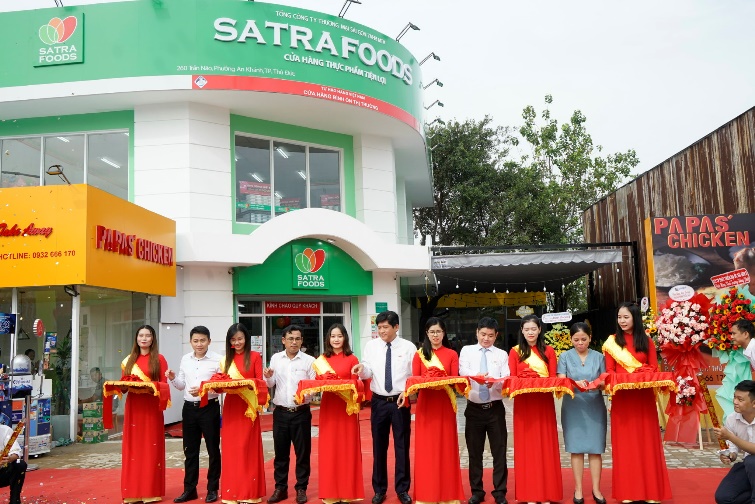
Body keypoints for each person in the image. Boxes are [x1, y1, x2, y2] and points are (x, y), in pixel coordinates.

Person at [602, 302, 671, 503]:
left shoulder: (646, 340)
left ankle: (651, 492)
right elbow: (609, 371)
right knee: (626, 446)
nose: (622, 321)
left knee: (647, 443)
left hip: (644, 398)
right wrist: (626, 379)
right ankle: (628, 492)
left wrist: (642, 375)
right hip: (623, 399)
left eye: (626, 317)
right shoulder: (612, 342)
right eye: (619, 317)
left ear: (635, 318)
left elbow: (653, 368)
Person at [352, 311, 414, 504]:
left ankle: (402, 489)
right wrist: (362, 369)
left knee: (402, 446)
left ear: (396, 327)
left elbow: (413, 376)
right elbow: (368, 370)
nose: (381, 331)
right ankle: (379, 490)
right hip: (378, 402)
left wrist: (408, 392)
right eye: (379, 327)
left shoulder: (409, 347)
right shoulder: (371, 346)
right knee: (379, 447)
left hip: (400, 402)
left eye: (385, 327)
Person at [408, 317, 464, 504]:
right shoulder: (419, 355)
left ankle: (448, 495)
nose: (435, 335)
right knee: (427, 450)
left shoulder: (452, 354)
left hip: (445, 404)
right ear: (426, 333)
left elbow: (455, 380)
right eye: (432, 332)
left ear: (444, 333)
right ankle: (427, 495)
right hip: (426, 405)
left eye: (438, 332)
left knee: (446, 448)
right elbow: (415, 381)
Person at [508, 314, 561, 504]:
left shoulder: (549, 351)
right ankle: (529, 493)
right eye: (526, 329)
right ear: (521, 331)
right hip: (524, 404)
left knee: (545, 445)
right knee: (526, 448)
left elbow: (553, 378)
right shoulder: (515, 352)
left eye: (533, 329)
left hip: (543, 403)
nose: (530, 332)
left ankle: (547, 493)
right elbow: (512, 379)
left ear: (539, 330)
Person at [166, 326, 222, 503]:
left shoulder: (218, 360)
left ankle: (212, 489)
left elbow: (221, 386)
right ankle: (190, 489)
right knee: (190, 451)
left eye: (202, 340)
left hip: (209, 408)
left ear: (209, 341)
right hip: (189, 409)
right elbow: (181, 385)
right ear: (190, 342)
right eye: (195, 341)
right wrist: (173, 378)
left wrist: (204, 389)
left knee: (213, 449)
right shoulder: (185, 359)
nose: (199, 344)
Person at [459, 317, 509, 504]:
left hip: (495, 409)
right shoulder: (467, 351)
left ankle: (500, 492)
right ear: (477, 333)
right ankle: (477, 491)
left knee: (499, 451)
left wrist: (494, 382)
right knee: (474, 452)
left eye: (490, 335)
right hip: (474, 409)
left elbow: (506, 377)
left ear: (496, 335)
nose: (486, 338)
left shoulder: (502, 354)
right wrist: (476, 377)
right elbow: (462, 372)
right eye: (483, 334)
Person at [264, 324, 316, 504]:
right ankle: (281, 488)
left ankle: (301, 488)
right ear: (283, 340)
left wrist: (304, 396)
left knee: (303, 453)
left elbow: (314, 386)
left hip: (301, 413)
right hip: (280, 413)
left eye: (297, 339)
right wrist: (268, 376)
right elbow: (270, 384)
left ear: (302, 341)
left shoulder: (309, 361)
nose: (294, 342)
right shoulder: (276, 359)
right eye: (290, 339)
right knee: (280, 453)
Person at [556, 323, 607, 504]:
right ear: (570, 339)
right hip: (573, 405)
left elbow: (605, 380)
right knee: (576, 449)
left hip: (594, 405)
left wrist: (596, 384)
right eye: (576, 340)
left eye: (583, 339)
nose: (580, 343)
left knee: (596, 449)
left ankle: (596, 489)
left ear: (590, 338)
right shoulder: (564, 356)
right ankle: (578, 489)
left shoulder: (599, 357)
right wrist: (575, 383)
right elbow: (561, 380)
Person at [315, 323, 363, 504]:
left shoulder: (352, 359)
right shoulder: (321, 360)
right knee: (329, 449)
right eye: (333, 336)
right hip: (329, 408)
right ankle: (331, 492)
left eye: (339, 336)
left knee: (347, 449)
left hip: (346, 408)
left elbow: (357, 385)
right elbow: (318, 383)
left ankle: (347, 492)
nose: (336, 339)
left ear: (345, 338)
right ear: (328, 339)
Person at [120, 324, 168, 503]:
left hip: (151, 408)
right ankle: (132, 492)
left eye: (148, 335)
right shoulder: (128, 360)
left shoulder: (159, 359)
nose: (144, 339)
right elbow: (123, 387)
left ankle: (150, 492)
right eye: (141, 335)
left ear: (153, 339)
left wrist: (150, 386)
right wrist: (120, 386)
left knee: (151, 448)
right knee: (133, 449)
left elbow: (164, 385)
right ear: (136, 338)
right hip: (134, 407)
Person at [219, 322, 266, 503]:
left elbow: (259, 382)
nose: (237, 343)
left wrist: (245, 385)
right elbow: (221, 384)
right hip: (231, 406)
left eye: (240, 339)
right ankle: (232, 493)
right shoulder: (225, 360)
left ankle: (249, 493)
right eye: (233, 340)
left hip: (248, 408)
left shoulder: (254, 356)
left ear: (246, 338)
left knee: (247, 448)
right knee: (232, 449)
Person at [714, 379, 755, 504]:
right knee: (723, 497)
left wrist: (730, 436)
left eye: (740, 399)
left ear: (754, 403)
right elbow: (733, 448)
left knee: (751, 460)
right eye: (735, 397)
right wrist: (730, 456)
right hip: (749, 467)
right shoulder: (731, 419)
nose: (735, 402)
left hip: (751, 463)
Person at [0, 423, 26, 504]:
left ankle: (15, 500)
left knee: (19, 464)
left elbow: (16, 452)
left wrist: (9, 459)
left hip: (2, 472)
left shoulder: (5, 430)